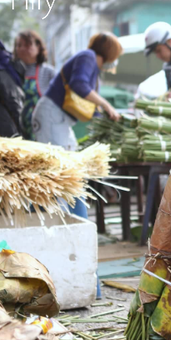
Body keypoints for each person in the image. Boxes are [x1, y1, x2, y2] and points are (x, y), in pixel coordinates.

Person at [32, 32, 122, 218]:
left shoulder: (92, 66)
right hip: (52, 117)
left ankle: (77, 221)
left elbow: (85, 101)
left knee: (72, 172)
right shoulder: (88, 57)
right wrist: (105, 104)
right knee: (60, 172)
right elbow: (78, 84)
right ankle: (60, 223)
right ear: (109, 53)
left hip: (60, 121)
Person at [13, 30, 57, 141]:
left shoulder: (48, 73)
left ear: (38, 47)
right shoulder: (12, 73)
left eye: (27, 45)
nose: (22, 48)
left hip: (44, 131)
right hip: (18, 133)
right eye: (19, 45)